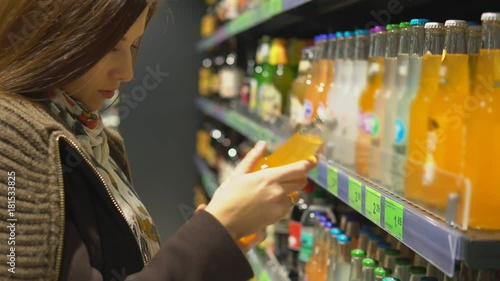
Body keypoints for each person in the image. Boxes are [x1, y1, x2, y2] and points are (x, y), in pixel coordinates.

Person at [0, 1, 317, 280]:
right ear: (51, 33)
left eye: (133, 46)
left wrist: (226, 237)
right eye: (111, 45)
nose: (128, 72)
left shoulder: (94, 138)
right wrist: (218, 227)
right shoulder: (10, 137)